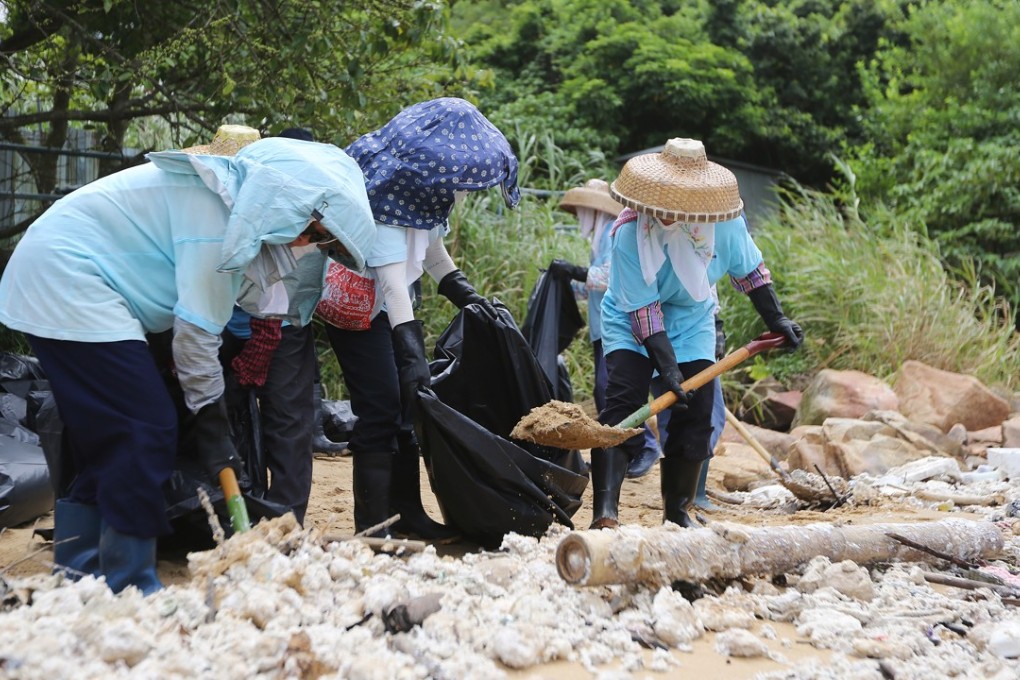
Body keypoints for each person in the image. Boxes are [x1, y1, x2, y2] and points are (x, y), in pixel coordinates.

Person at [0, 125, 376, 593]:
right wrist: (213, 423)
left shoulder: (231, 210)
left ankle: (81, 574)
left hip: (80, 286)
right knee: (144, 425)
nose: (306, 242)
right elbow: (196, 338)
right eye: (312, 229)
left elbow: (238, 312)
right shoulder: (216, 218)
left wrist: (212, 422)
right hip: (68, 280)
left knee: (108, 433)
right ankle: (129, 582)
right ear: (284, 202)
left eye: (319, 239)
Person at [320, 97, 520, 539]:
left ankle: (408, 515)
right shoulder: (387, 199)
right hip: (359, 311)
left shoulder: (426, 195)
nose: (465, 190)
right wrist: (413, 359)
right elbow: (393, 285)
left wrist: (468, 297)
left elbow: (432, 253)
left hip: (389, 309)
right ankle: (373, 525)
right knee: (381, 408)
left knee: (409, 409)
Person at [590, 138, 803, 530]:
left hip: (691, 320)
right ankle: (605, 512)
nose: (666, 215)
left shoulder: (725, 225)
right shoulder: (627, 235)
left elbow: (751, 274)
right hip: (630, 320)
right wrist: (668, 370)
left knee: (697, 413)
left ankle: (677, 512)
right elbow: (645, 315)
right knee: (621, 407)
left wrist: (778, 321)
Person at [219, 127, 344, 526]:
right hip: (274, 323)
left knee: (223, 419)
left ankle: (236, 515)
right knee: (287, 425)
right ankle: (283, 521)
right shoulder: (326, 200)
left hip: (235, 319)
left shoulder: (241, 189)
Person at [547, 179, 661, 479]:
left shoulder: (613, 234)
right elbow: (591, 289)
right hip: (605, 329)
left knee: (610, 390)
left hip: (622, 327)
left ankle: (646, 446)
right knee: (606, 392)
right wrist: (564, 281)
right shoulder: (598, 242)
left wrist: (574, 271)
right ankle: (628, 447)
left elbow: (611, 278)